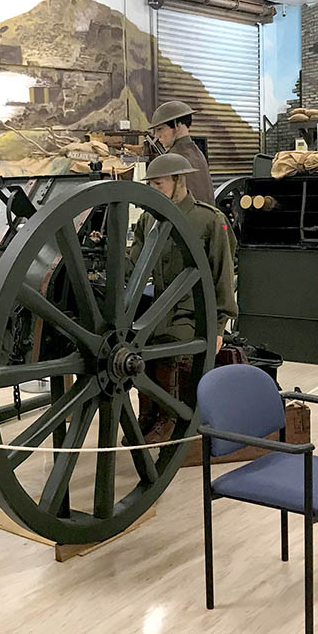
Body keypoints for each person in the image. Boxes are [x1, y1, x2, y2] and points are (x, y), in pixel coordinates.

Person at [130, 153, 237, 443]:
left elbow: (222, 274)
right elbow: (134, 265)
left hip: (195, 312)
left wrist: (219, 326)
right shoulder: (148, 219)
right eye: (150, 184)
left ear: (179, 180)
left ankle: (171, 418)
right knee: (137, 349)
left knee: (168, 349)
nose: (153, 190)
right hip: (159, 309)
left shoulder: (209, 220)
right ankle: (148, 417)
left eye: (159, 183)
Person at [149, 100, 215, 204]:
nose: (157, 137)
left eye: (160, 129)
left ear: (177, 125)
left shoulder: (172, 158)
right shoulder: (198, 153)